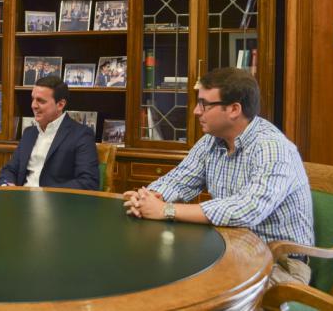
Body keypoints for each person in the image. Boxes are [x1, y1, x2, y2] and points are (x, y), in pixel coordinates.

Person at [123, 67, 314, 286]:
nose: (196, 111)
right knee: (153, 273)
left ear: (234, 109)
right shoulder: (211, 141)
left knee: (192, 292)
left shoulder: (272, 148)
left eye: (204, 104)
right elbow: (179, 179)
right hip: (227, 249)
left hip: (279, 263)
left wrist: (166, 210)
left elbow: (247, 209)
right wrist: (149, 197)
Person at [0, 75, 99, 190]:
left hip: (56, 203)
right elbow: (9, 170)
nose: (33, 105)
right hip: (20, 199)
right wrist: (6, 184)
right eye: (33, 99)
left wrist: (45, 193)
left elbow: (88, 182)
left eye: (40, 101)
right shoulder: (29, 132)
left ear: (60, 104)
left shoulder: (81, 135)